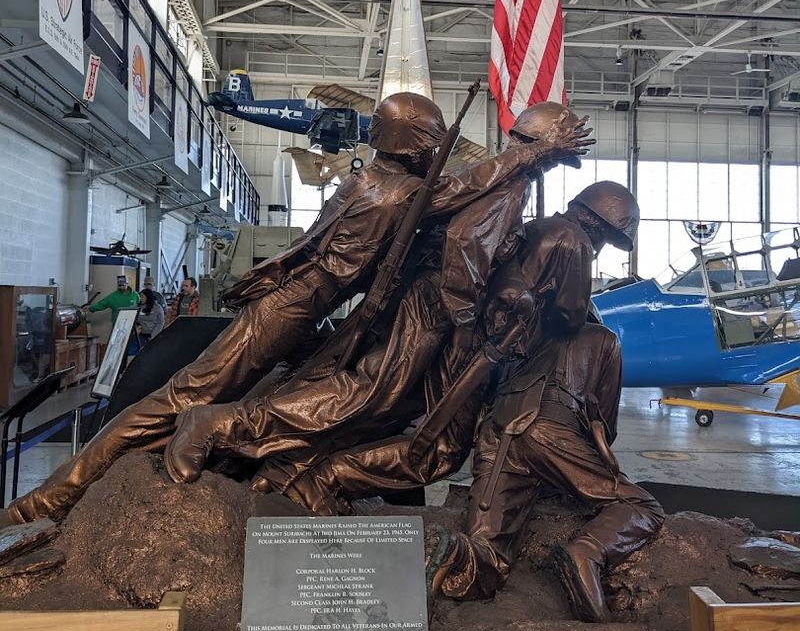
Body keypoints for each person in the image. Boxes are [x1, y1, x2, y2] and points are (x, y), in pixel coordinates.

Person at [2, 93, 591, 526]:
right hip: (292, 306)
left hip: (300, 305)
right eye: (432, 141)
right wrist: (528, 154)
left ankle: (99, 484)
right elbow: (455, 197)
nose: (439, 149)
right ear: (411, 145)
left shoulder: (376, 177)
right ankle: (48, 499)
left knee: (291, 388)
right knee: (181, 398)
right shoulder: (400, 191)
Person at [162, 102, 586, 488]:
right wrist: (462, 320)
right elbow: (465, 242)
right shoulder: (511, 185)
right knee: (368, 393)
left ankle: (282, 472)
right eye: (565, 148)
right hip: (433, 301)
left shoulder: (507, 177)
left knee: (375, 398)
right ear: (546, 147)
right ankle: (217, 425)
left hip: (426, 296)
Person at [269, 181, 640, 518]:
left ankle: (309, 471)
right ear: (598, 226)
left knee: (406, 426)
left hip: (462, 345)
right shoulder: (572, 241)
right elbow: (571, 316)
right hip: (476, 356)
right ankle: (327, 478)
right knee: (438, 451)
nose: (601, 247)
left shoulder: (540, 226)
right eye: (608, 239)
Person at [429, 322, 664, 623]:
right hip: (549, 428)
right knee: (642, 506)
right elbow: (603, 426)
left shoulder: (512, 338)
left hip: (495, 437)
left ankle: (449, 549)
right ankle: (586, 553)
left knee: (487, 558)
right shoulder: (603, 339)